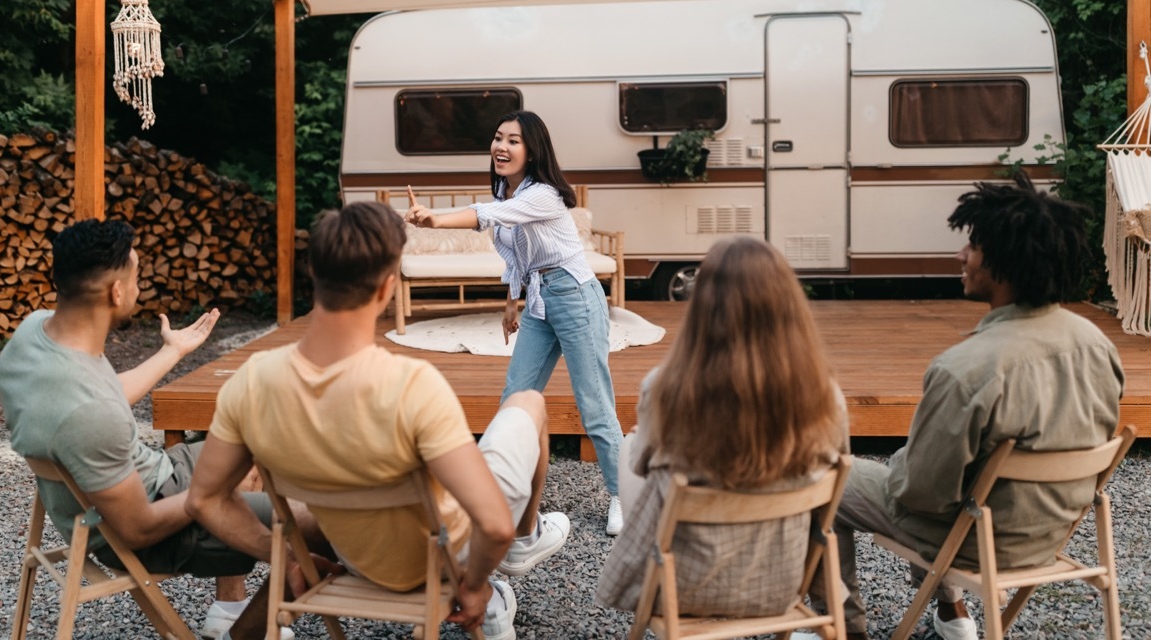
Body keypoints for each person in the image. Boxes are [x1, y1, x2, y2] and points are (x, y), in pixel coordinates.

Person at [184, 201, 571, 640]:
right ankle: (522, 545)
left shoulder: (250, 382)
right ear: (388, 287)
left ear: (314, 276)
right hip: (448, 559)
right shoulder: (411, 385)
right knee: (528, 402)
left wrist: (289, 559)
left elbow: (204, 500)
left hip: (357, 558)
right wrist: (476, 586)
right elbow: (493, 523)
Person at [801, 172, 1125, 640]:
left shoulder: (966, 368)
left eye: (971, 247)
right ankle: (953, 615)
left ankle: (843, 628)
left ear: (1001, 264)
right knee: (949, 473)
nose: (961, 256)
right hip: (1050, 534)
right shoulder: (1097, 344)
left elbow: (922, 494)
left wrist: (900, 465)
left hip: (980, 541)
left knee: (826, 476)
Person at [0, 218, 287, 640]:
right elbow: (138, 527)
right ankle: (247, 630)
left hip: (125, 488)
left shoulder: (35, 334)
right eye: (136, 276)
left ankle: (230, 608)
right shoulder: (88, 413)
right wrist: (211, 493)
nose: (137, 287)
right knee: (317, 523)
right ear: (116, 292)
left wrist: (173, 352)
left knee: (255, 436)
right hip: (141, 525)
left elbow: (105, 396)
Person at [594, 237, 847, 616]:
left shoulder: (665, 390)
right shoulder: (826, 396)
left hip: (680, 589)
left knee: (633, 447)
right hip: (780, 588)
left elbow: (640, 468)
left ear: (703, 306)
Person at [404, 110, 626, 535]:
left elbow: (484, 216)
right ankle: (501, 492)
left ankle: (622, 496)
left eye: (513, 141)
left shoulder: (542, 194)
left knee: (593, 403)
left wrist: (434, 219)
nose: (501, 147)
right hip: (541, 301)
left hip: (576, 297)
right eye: (497, 138)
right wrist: (513, 301)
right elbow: (519, 253)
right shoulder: (507, 192)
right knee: (515, 397)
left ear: (532, 149)